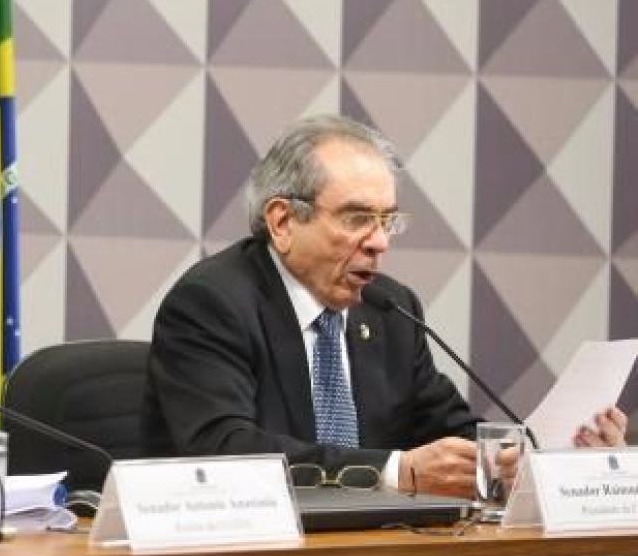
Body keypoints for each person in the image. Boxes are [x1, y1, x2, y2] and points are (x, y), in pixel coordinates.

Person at [142, 115, 628, 498]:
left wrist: (542, 458)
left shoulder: (389, 309)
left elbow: (451, 433)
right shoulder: (213, 302)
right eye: (357, 218)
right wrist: (396, 472)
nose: (378, 243)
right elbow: (225, 452)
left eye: (387, 221)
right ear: (283, 221)